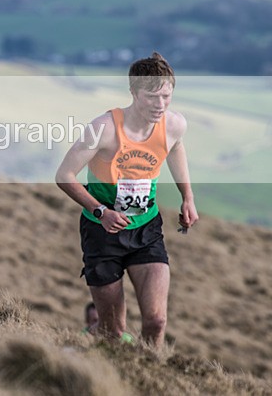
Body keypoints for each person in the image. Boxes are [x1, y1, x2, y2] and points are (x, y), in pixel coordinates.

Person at [55, 52, 198, 347]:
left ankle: (148, 372)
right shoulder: (104, 129)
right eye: (151, 97)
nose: (160, 105)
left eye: (166, 96)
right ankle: (93, 360)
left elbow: (175, 148)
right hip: (102, 233)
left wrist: (187, 196)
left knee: (156, 321)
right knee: (113, 332)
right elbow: (64, 175)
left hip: (146, 229)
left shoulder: (174, 125)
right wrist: (100, 211)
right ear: (133, 91)